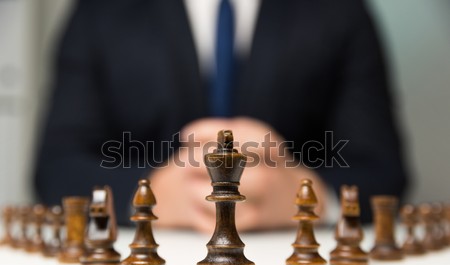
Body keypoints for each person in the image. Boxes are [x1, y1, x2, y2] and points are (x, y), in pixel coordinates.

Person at [34, 0, 408, 232]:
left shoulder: (341, 10)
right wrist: (147, 194)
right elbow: (57, 167)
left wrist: (310, 197)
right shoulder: (99, 10)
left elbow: (383, 171)